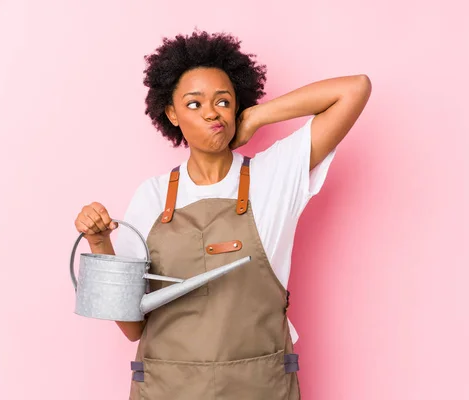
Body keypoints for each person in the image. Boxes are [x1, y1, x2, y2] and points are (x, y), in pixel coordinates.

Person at [73, 30, 371, 400]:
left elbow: (354, 89)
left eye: (224, 101)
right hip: (168, 390)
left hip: (260, 387)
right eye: (194, 104)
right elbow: (132, 326)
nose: (212, 112)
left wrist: (258, 117)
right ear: (172, 113)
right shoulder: (150, 196)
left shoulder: (274, 176)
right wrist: (99, 242)